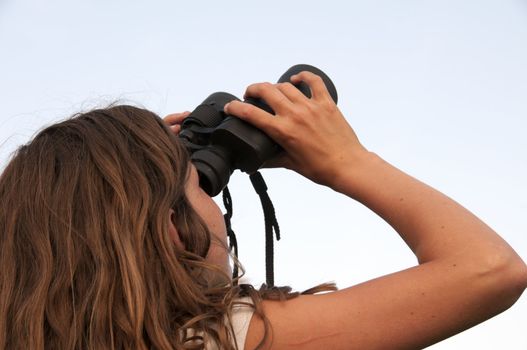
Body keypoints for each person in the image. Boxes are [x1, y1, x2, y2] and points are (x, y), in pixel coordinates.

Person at [0, 71, 526, 350]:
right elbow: (488, 269)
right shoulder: (213, 340)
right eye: (203, 189)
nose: (222, 217)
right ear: (169, 228)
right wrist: (347, 161)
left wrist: (131, 168)